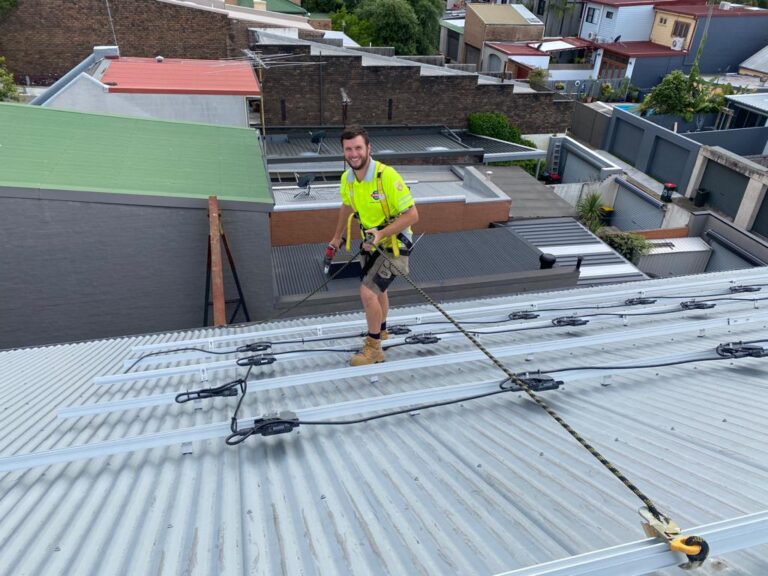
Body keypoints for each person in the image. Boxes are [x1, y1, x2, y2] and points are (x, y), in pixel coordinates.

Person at [329, 125, 419, 366]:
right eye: (348, 149)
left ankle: (374, 348)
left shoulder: (386, 176)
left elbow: (412, 215)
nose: (354, 154)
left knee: (368, 291)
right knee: (378, 290)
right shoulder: (348, 179)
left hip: (395, 242)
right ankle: (381, 329)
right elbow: (347, 206)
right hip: (371, 242)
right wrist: (337, 237)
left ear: (369, 148)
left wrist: (381, 234)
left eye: (358, 148)